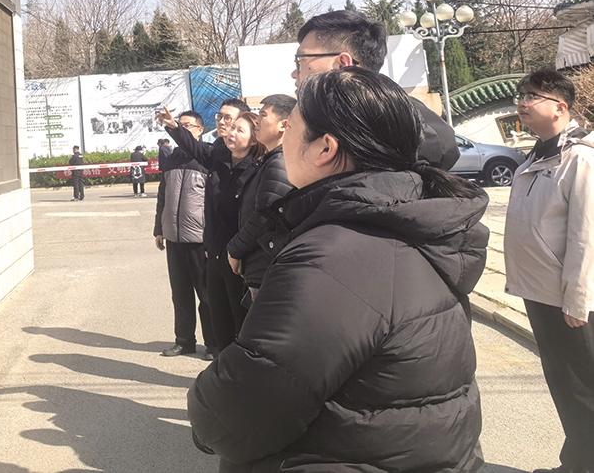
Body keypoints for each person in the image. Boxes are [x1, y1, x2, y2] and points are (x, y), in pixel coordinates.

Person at [188, 67, 488, 472]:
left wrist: (204, 403)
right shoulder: (406, 218)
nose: (279, 137)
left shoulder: (334, 257)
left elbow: (238, 410)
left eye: (290, 126)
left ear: (325, 148)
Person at [504, 69, 594, 473]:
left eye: (532, 96)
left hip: (570, 300)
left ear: (559, 106)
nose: (522, 102)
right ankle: (576, 461)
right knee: (565, 386)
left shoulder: (581, 157)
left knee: (583, 389)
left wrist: (578, 299)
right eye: (520, 95)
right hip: (540, 291)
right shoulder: (540, 152)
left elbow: (586, 235)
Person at [291, 10, 459, 171]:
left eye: (301, 61)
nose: (294, 74)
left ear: (342, 64)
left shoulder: (347, 135)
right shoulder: (407, 119)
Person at [159, 101, 258, 351]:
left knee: (234, 309)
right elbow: (164, 195)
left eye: (232, 122)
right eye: (221, 119)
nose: (224, 125)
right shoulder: (217, 155)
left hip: (235, 250)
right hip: (208, 245)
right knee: (205, 302)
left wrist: (238, 248)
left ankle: (225, 353)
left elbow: (260, 214)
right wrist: (173, 127)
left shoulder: (260, 166)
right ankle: (206, 350)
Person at [154, 112, 215, 360]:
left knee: (207, 295)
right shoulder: (171, 159)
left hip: (200, 239)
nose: (182, 128)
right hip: (173, 238)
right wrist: (158, 228)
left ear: (199, 130)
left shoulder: (209, 157)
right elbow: (162, 196)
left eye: (187, 125)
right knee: (180, 293)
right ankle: (184, 341)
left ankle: (214, 343)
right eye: (180, 125)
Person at [226, 94, 295, 297]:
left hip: (265, 267)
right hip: (259, 266)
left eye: (263, 115)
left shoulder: (279, 163)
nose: (257, 121)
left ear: (284, 124)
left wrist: (234, 250)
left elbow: (265, 216)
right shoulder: (269, 159)